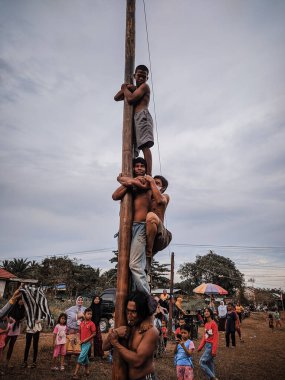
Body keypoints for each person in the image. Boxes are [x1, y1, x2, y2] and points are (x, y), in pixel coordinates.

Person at [112, 158, 151, 296]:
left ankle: (148, 297)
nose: (139, 168)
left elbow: (138, 183)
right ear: (133, 168)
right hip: (126, 228)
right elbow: (115, 196)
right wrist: (126, 182)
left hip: (141, 227)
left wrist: (122, 179)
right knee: (125, 266)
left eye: (142, 166)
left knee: (134, 264)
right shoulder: (130, 185)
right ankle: (134, 297)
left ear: (146, 169)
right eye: (137, 166)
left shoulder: (147, 181)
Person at [103, 291, 159, 380]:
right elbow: (104, 347)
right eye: (128, 311)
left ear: (142, 312)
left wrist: (116, 343)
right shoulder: (130, 327)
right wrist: (115, 333)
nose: (129, 315)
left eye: (134, 312)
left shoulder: (150, 331)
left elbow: (138, 361)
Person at [114, 65, 154, 175]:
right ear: (134, 76)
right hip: (134, 120)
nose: (141, 78)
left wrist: (124, 89)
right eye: (139, 75)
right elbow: (116, 98)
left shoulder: (145, 87)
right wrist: (126, 87)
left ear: (147, 78)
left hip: (142, 116)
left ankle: (149, 175)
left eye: (144, 76)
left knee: (144, 145)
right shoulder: (134, 89)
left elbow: (131, 99)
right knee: (134, 149)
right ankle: (132, 173)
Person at [144, 175, 172, 271]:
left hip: (161, 235)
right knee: (140, 267)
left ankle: (148, 254)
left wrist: (151, 182)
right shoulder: (145, 198)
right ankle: (146, 267)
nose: (154, 184)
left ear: (163, 188)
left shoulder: (165, 196)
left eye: (157, 183)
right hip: (148, 233)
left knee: (151, 216)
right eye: (153, 182)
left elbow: (160, 200)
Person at [72, 308, 96, 379]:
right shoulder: (81, 323)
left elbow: (94, 333)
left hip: (87, 343)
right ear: (84, 314)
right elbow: (79, 332)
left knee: (81, 357)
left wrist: (86, 340)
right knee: (85, 358)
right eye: (88, 314)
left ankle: (75, 373)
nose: (90, 315)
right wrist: (78, 339)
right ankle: (87, 371)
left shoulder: (92, 323)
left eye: (91, 314)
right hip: (81, 343)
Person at [198, 307, 219, 380]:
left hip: (211, 346)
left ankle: (213, 377)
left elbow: (216, 337)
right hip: (207, 346)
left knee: (202, 362)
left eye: (208, 311)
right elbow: (205, 336)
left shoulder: (213, 324)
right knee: (210, 363)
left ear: (210, 313)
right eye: (205, 311)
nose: (206, 312)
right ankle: (212, 377)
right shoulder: (206, 324)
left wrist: (213, 350)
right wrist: (200, 347)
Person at [5, 297, 26, 368]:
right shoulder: (13, 306)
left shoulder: (23, 309)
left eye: (23, 301)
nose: (22, 302)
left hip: (17, 327)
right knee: (4, 344)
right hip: (10, 326)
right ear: (18, 300)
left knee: (11, 346)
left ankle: (7, 362)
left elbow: (23, 317)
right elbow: (7, 315)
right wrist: (8, 320)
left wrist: (21, 321)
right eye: (21, 300)